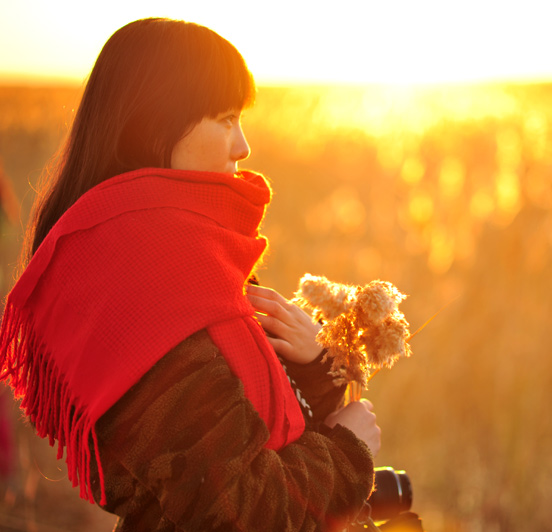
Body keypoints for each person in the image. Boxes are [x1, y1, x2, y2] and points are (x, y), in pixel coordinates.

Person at [0, 18, 381, 531]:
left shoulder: (181, 253)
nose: (243, 146)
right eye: (224, 119)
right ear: (156, 126)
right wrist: (349, 450)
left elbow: (243, 432)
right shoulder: (142, 284)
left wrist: (314, 368)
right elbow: (240, 510)